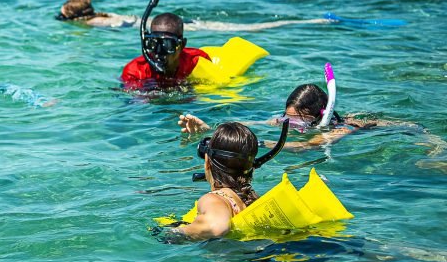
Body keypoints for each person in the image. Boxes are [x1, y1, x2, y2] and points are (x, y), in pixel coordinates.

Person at [178, 82, 422, 149]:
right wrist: (211, 129)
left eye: (297, 120)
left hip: (389, 128)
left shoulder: (341, 129)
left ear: (319, 117)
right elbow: (250, 123)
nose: (289, 124)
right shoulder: (286, 120)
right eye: (287, 118)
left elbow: (306, 146)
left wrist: (259, 143)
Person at [176, 122, 283, 240]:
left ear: (207, 161)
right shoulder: (251, 199)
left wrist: (176, 232)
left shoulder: (214, 199)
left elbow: (217, 227)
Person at [56, 0, 332, 32]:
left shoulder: (94, 23)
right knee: (247, 27)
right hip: (175, 23)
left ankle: (314, 21)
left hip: (171, 27)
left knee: (250, 28)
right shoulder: (104, 13)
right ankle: (311, 20)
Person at [121, 8, 212, 88]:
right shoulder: (135, 71)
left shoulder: (197, 60)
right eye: (154, 43)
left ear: (182, 45)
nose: (159, 51)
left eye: (167, 44)